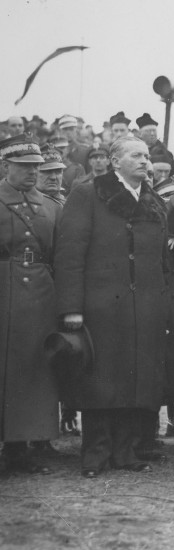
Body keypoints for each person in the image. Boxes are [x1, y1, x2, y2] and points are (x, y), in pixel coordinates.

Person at [55, 136, 170, 477]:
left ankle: (125, 452)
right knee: (100, 381)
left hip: (144, 307)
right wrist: (71, 308)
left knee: (135, 379)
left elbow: (160, 260)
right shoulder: (88, 194)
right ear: (115, 161)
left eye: (147, 156)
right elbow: (70, 254)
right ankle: (95, 454)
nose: (144, 161)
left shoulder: (151, 200)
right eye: (136, 155)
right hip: (101, 306)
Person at [0, 135, 60, 476]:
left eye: (36, 167)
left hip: (40, 292)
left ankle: (21, 447)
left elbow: (58, 255)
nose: (32, 173)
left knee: (32, 370)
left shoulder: (50, 206)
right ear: (6, 166)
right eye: (24, 167)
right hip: (3, 289)